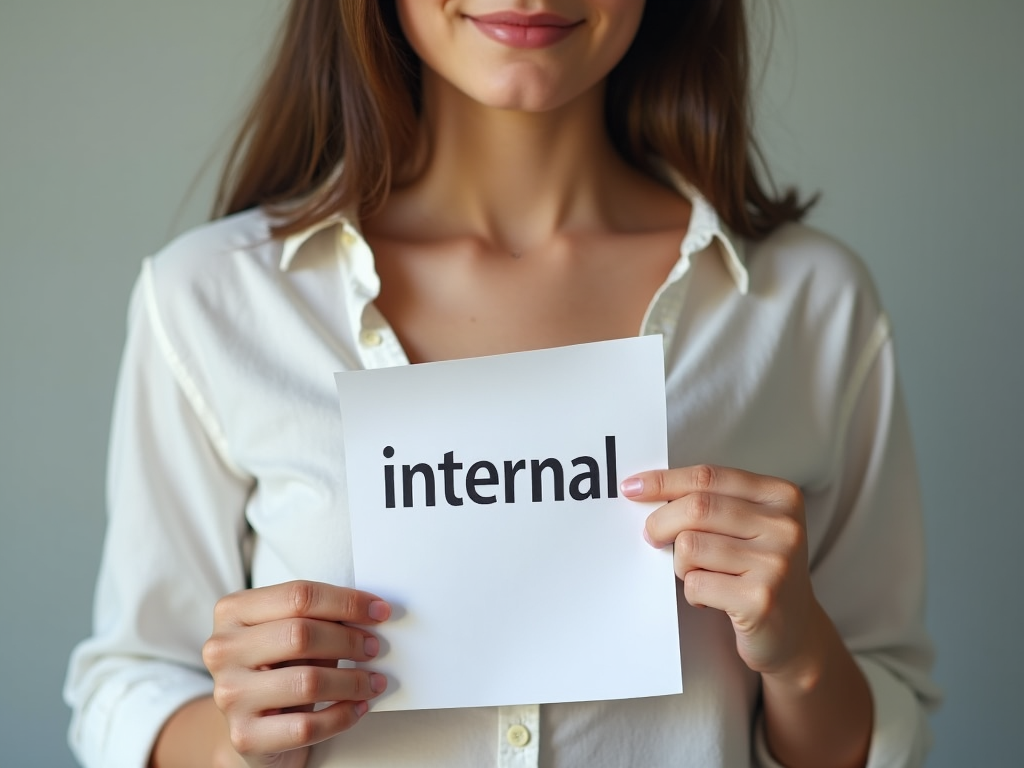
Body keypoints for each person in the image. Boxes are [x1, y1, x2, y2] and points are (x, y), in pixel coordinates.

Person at [64, 1, 940, 767]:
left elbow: (882, 715)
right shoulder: (211, 300)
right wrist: (232, 742)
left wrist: (802, 654)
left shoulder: (812, 305)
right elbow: (128, 682)